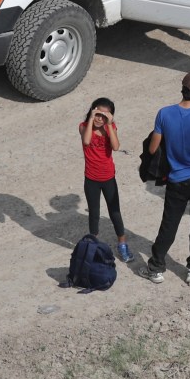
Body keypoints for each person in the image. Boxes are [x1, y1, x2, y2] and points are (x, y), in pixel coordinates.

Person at [140, 71, 190, 285]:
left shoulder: (164, 114)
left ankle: (156, 268)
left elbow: (152, 147)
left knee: (168, 225)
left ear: (182, 89)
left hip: (176, 180)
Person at [79, 97, 133, 263]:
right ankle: (93, 247)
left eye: (104, 116)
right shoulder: (84, 126)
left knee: (114, 211)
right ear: (92, 112)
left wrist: (109, 125)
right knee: (94, 213)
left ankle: (122, 245)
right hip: (91, 178)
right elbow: (86, 141)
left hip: (108, 178)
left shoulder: (111, 127)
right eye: (97, 114)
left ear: (110, 117)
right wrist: (90, 119)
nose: (99, 119)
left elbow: (116, 147)